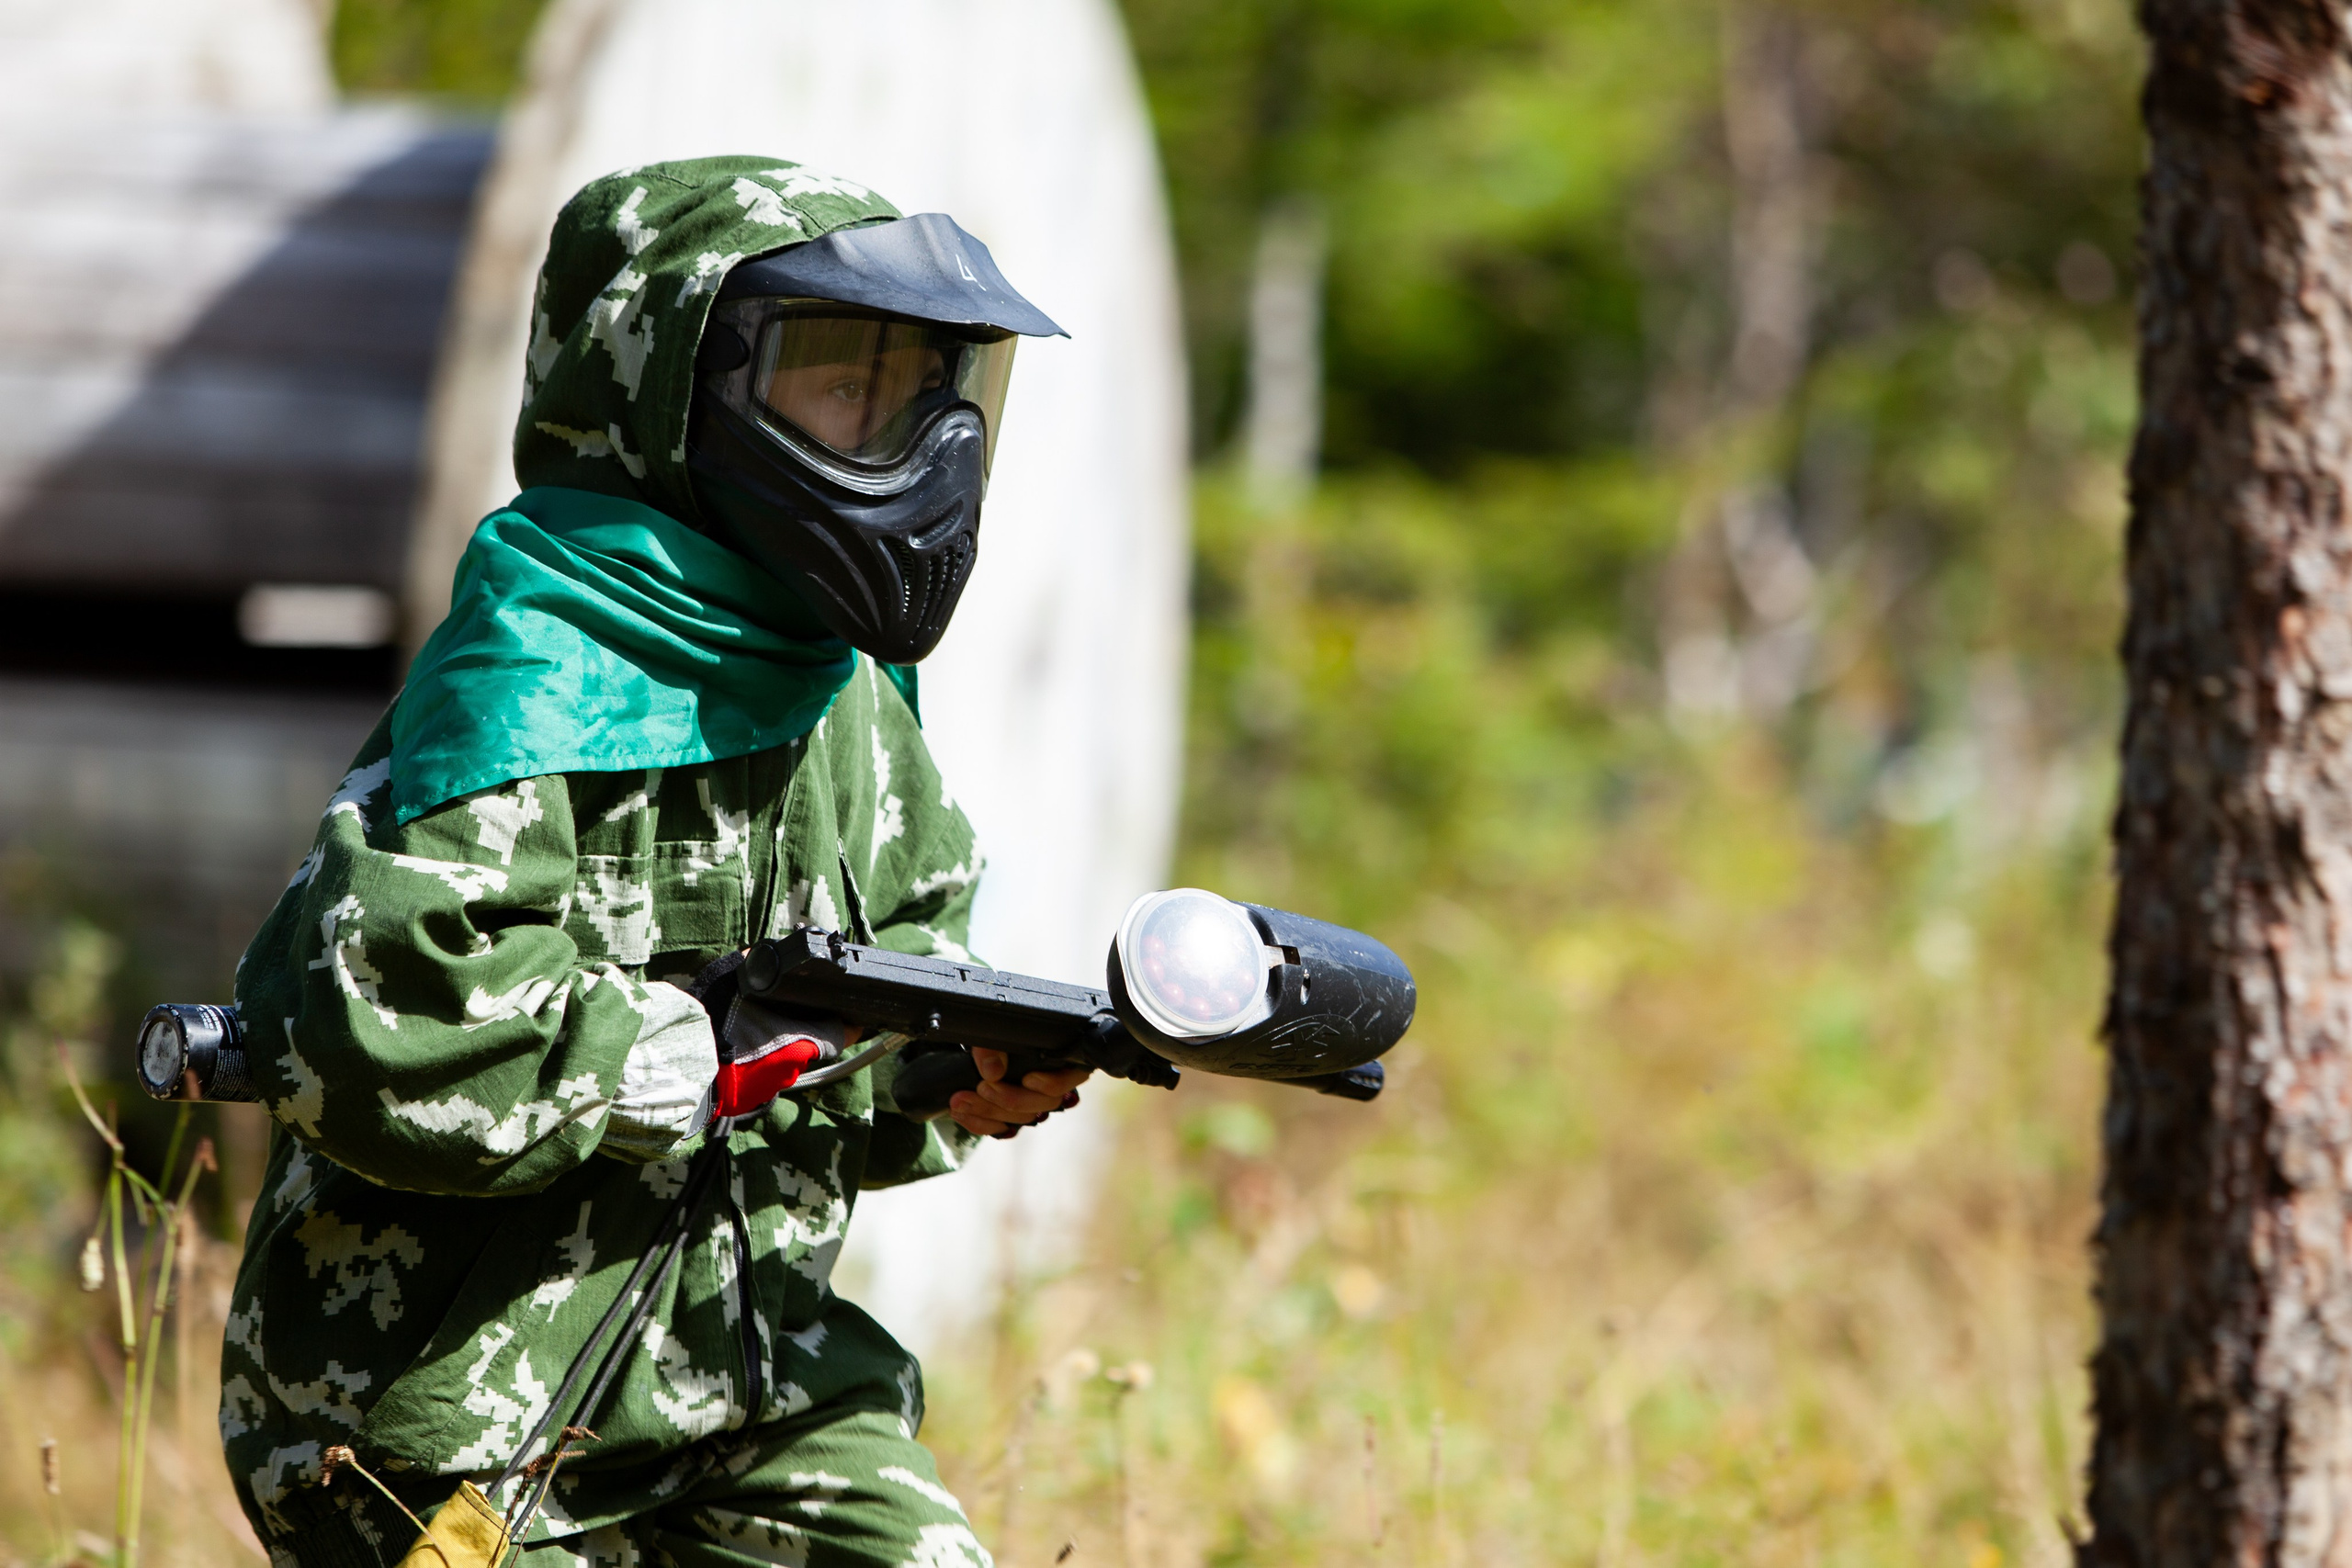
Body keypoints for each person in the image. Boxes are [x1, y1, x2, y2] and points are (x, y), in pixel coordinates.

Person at [220, 156, 1080, 1568]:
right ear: (680, 395)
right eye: (844, 388)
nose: (916, 447)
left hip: (743, 1387)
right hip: (446, 1417)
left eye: (931, 391)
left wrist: (955, 1071)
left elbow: (894, 981)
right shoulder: (529, 685)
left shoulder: (844, 693)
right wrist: (683, 1044)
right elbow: (377, 1034)